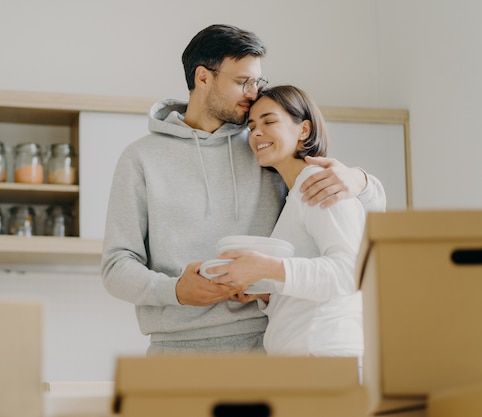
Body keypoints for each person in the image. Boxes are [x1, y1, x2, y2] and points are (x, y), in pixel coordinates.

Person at [101, 24, 385, 354]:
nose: (252, 93)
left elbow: (361, 210)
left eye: (256, 82)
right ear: (203, 78)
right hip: (174, 351)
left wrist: (360, 180)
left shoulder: (264, 147)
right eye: (242, 82)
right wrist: (175, 290)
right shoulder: (141, 158)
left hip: (263, 346)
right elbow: (116, 266)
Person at [208, 85, 366, 358]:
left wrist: (268, 267)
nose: (256, 132)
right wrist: (265, 290)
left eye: (269, 121)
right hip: (305, 357)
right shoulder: (294, 195)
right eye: (252, 125)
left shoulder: (318, 184)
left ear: (303, 130)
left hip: (325, 355)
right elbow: (310, 285)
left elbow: (349, 273)